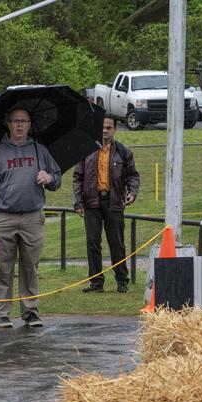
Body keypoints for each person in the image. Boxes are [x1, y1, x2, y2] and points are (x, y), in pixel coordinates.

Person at [0, 106, 61, 329]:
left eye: (24, 121)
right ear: (8, 124)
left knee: (30, 267)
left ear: (29, 124)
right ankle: (2, 313)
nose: (19, 125)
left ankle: (31, 311)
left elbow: (57, 178)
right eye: (15, 121)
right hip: (3, 217)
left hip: (32, 217)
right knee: (3, 269)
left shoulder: (40, 150)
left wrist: (49, 178)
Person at [73, 116, 140, 293]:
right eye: (102, 127)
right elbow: (77, 177)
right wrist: (78, 201)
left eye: (109, 127)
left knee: (116, 243)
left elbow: (133, 175)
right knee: (93, 243)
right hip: (91, 202)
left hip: (114, 202)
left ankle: (122, 281)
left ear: (115, 130)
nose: (105, 130)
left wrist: (132, 192)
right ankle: (96, 283)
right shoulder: (86, 150)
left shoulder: (124, 152)